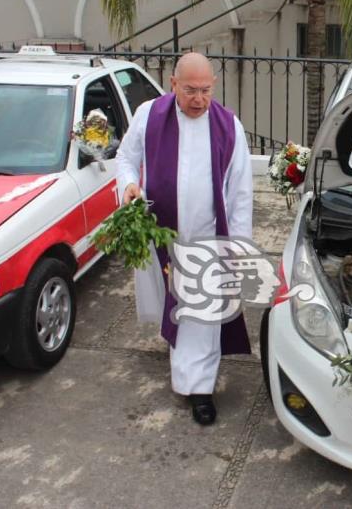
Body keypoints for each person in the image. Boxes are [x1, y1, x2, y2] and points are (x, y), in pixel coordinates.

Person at [116, 52, 253, 426]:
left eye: (206, 90)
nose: (198, 99)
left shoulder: (229, 126)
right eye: (190, 90)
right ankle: (182, 357)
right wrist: (129, 185)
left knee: (200, 314)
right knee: (171, 306)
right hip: (160, 233)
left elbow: (240, 192)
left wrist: (238, 246)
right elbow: (125, 159)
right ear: (173, 83)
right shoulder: (149, 115)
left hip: (207, 237)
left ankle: (199, 389)